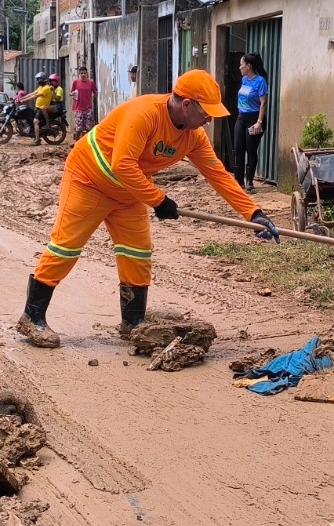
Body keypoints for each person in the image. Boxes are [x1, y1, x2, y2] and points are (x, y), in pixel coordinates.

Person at [17, 69, 281, 348]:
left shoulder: (194, 136)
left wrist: (254, 213)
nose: (209, 118)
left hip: (129, 193)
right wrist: (158, 200)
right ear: (187, 105)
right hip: (89, 180)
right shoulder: (143, 114)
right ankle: (31, 317)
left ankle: (133, 323)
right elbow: (123, 164)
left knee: (137, 253)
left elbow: (218, 174)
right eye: (206, 112)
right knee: (65, 248)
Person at [233, 52, 269, 193]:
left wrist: (259, 122)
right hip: (241, 118)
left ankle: (249, 182)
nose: (240, 67)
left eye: (242, 64)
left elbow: (263, 103)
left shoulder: (260, 81)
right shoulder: (244, 80)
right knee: (238, 149)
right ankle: (238, 182)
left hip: (254, 119)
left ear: (249, 66)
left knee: (251, 150)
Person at [70, 66, 97, 138]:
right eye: (81, 73)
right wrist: (72, 94)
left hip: (88, 108)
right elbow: (71, 92)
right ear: (79, 74)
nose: (83, 75)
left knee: (88, 128)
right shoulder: (76, 82)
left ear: (87, 73)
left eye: (84, 73)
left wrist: (92, 97)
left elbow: (95, 92)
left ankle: (86, 143)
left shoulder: (91, 83)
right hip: (79, 108)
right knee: (79, 128)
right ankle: (77, 143)